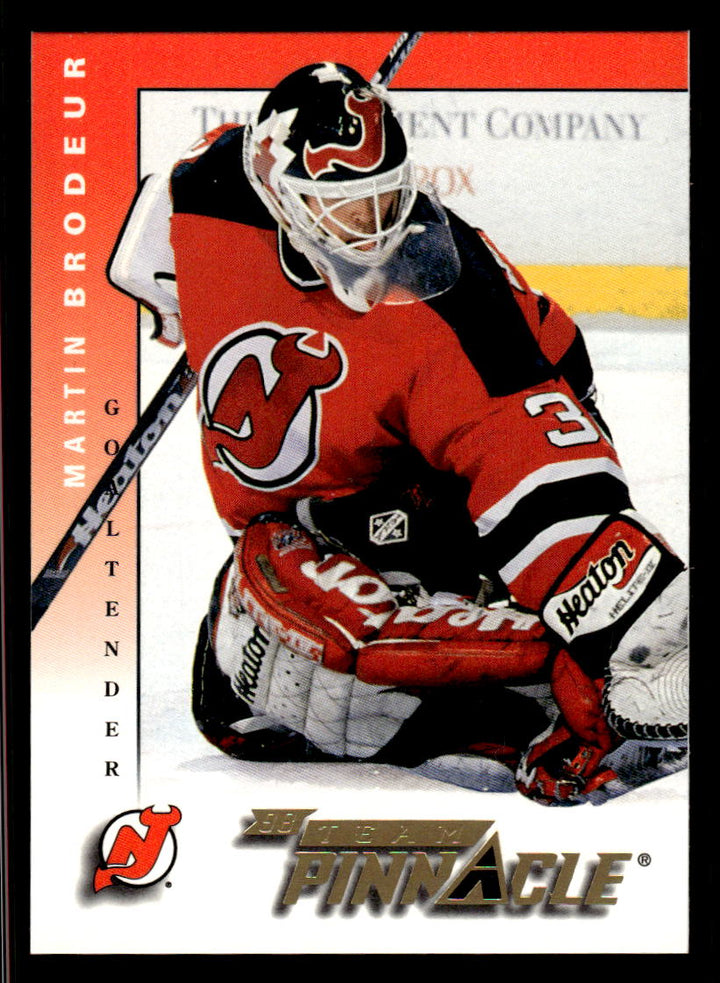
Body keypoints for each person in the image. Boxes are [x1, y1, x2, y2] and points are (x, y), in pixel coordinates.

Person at [110, 61, 688, 805]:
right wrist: (186, 310)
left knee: (353, 643)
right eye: (349, 207)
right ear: (279, 194)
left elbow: (541, 472)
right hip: (325, 506)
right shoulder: (203, 194)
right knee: (242, 694)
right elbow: (162, 257)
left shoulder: (450, 306)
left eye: (389, 197)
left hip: (487, 443)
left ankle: (508, 654)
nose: (377, 226)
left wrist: (640, 630)